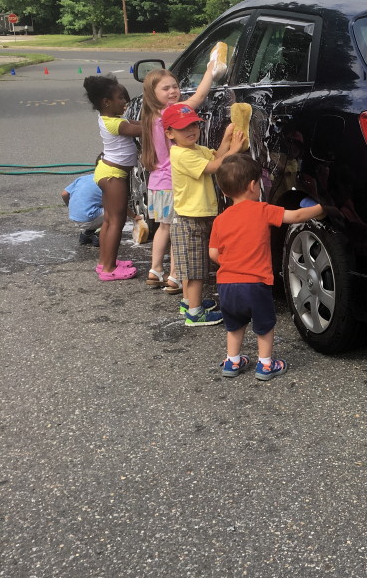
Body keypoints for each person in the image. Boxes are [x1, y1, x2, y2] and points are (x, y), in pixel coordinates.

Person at [209, 153, 325, 379]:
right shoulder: (262, 210)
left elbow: (214, 253)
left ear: (224, 191)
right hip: (255, 283)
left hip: (226, 284)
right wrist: (323, 207)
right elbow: (297, 215)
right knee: (264, 326)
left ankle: (232, 362)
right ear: (254, 186)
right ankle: (265, 364)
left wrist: (233, 263)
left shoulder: (220, 220)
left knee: (234, 326)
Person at [139, 60, 220, 292]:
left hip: (157, 184)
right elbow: (199, 97)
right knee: (179, 231)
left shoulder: (151, 116)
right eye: (166, 88)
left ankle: (155, 270)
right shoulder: (169, 115)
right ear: (152, 93)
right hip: (173, 185)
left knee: (164, 229)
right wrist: (209, 71)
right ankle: (175, 276)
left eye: (175, 86)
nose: (173, 91)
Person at [162, 102, 245, 326]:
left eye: (194, 125)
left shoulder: (195, 150)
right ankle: (195, 314)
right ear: (169, 133)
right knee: (196, 269)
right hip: (190, 219)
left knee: (190, 265)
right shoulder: (180, 154)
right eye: (183, 128)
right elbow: (213, 167)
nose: (191, 131)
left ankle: (188, 302)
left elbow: (215, 156)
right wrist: (235, 150)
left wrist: (227, 139)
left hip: (195, 217)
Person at [83, 76, 142, 280]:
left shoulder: (111, 119)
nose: (124, 101)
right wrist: (161, 122)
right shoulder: (115, 124)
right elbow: (139, 129)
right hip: (113, 176)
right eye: (120, 98)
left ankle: (104, 262)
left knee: (108, 220)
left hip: (107, 171)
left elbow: (135, 122)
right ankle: (109, 269)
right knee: (116, 222)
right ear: (107, 102)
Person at [61, 173, 103, 246]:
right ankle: (99, 235)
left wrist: (70, 207)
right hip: (88, 218)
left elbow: (64, 194)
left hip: (74, 216)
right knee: (118, 213)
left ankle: (87, 234)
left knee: (92, 206)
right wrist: (130, 215)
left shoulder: (83, 178)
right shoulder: (106, 182)